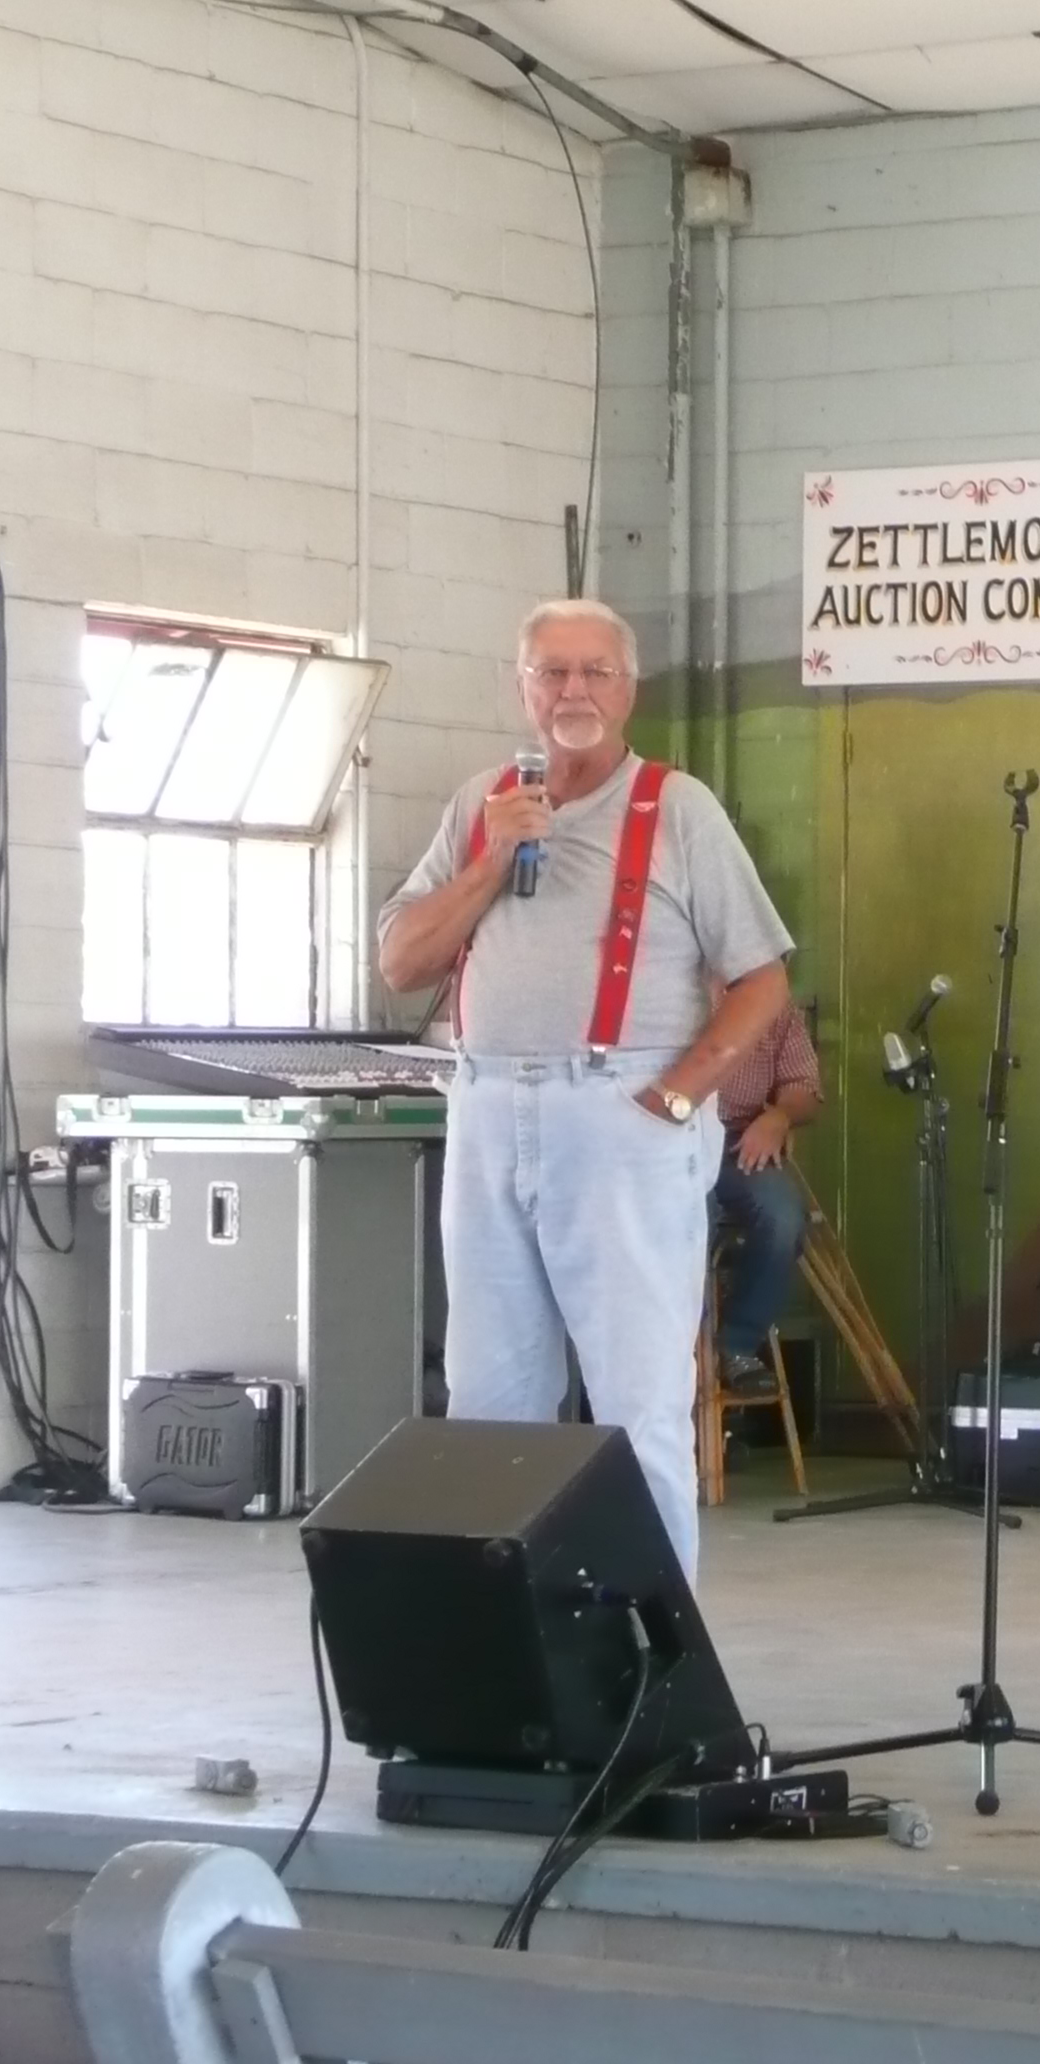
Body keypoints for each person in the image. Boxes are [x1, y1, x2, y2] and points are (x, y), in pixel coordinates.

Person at [377, 599, 792, 1584]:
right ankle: (506, 1642)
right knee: (489, 1399)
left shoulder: (679, 809)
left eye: (594, 671)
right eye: (552, 671)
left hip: (621, 1117)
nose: (573, 690)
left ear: (627, 688)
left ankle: (651, 1648)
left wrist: (678, 1099)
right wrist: (492, 858)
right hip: (486, 1110)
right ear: (523, 687)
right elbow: (400, 962)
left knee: (638, 1403)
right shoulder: (482, 802)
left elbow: (763, 978)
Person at [709, 996, 823, 1391]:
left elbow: (803, 1086)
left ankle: (737, 1346)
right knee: (683, 1224)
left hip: (739, 1142)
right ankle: (672, 1349)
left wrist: (779, 1116)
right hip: (669, 1136)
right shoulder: (668, 986)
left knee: (783, 1217)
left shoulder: (772, 1004)